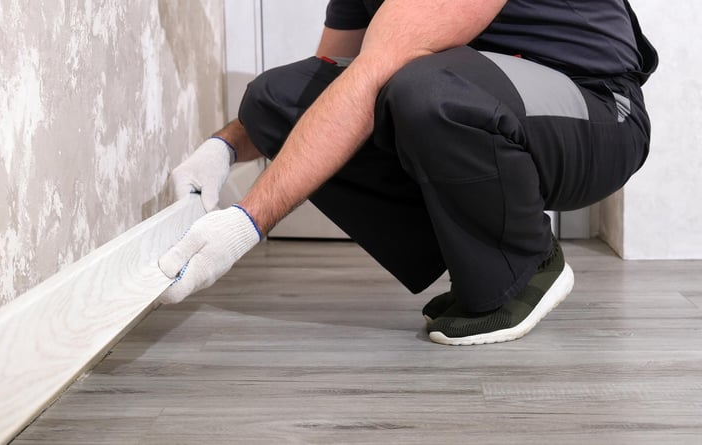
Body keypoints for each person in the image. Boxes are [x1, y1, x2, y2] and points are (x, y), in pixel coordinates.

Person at [157, 0, 658, 345]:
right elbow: (333, 71)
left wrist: (246, 223)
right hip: (488, 97)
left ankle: (525, 266)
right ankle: (472, 242)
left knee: (425, 90)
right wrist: (224, 146)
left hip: (597, 109)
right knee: (274, 100)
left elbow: (377, 72)